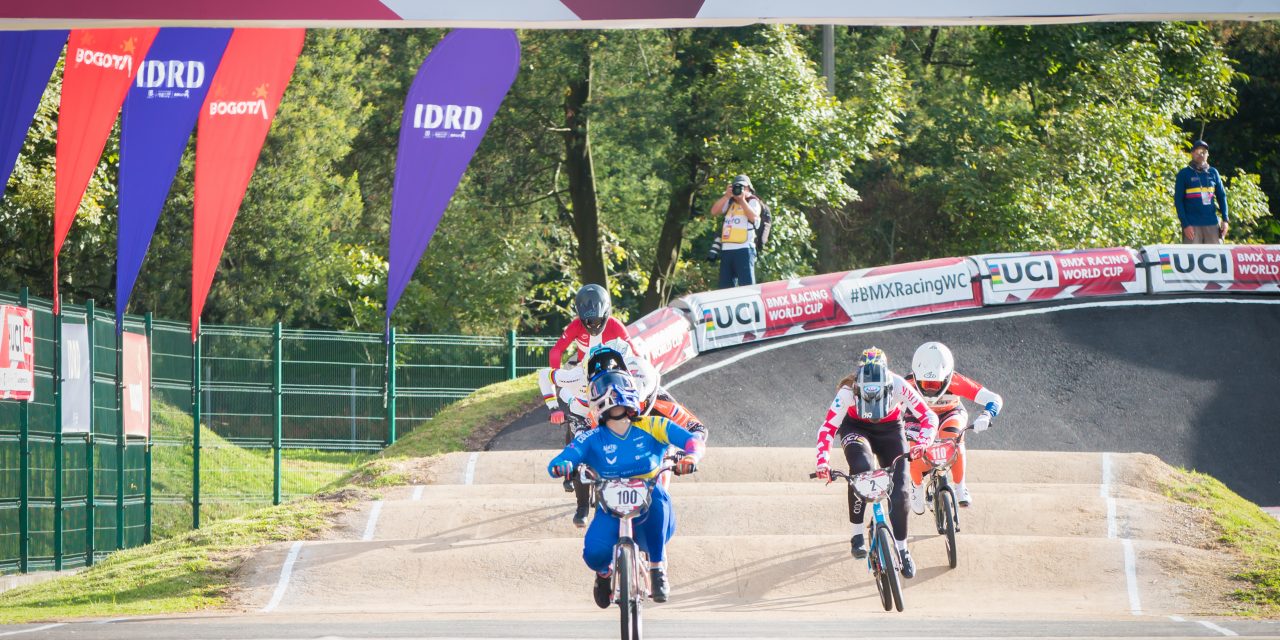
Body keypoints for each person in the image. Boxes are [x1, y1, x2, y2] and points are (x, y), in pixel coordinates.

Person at [547, 370, 704, 607]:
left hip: (649, 505)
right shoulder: (591, 437)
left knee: (659, 495)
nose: (613, 397)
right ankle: (604, 574)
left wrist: (691, 458)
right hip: (609, 507)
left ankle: (657, 568)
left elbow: (693, 440)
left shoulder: (655, 425)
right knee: (594, 555)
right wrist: (564, 466)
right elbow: (564, 458)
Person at [814, 347, 938, 579]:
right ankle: (857, 534)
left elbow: (929, 416)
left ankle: (902, 550)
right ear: (858, 388)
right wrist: (823, 462)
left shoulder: (900, 384)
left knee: (901, 491)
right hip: (856, 430)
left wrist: (923, 442)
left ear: (889, 388)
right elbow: (828, 428)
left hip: (891, 430)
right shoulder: (847, 392)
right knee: (861, 471)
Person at [542, 284, 634, 526]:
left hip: (607, 375)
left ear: (607, 315)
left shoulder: (615, 325)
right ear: (579, 317)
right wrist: (556, 373)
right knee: (576, 423)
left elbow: (633, 353)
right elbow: (557, 350)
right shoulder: (574, 326)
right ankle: (582, 505)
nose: (592, 326)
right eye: (586, 322)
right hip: (582, 372)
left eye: (598, 321)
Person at [903, 342, 1003, 511]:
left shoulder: (956, 381)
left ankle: (960, 486)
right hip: (919, 417)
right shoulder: (906, 383)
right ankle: (916, 485)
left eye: (935, 384)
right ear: (915, 375)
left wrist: (986, 416)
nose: (929, 390)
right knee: (915, 451)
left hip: (950, 413)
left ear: (948, 376)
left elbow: (995, 399)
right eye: (925, 383)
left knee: (954, 440)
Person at [709, 174, 762, 289]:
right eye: (736, 187)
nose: (739, 190)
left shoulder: (753, 201)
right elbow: (714, 211)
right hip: (727, 249)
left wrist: (742, 200)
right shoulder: (729, 201)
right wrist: (726, 196)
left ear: (748, 188)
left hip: (744, 248)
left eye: (742, 187)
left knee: (747, 287)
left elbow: (754, 218)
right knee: (725, 288)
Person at [1174, 140, 1229, 244]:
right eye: (1198, 151)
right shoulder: (1184, 174)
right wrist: (1185, 224)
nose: (1201, 154)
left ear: (1207, 155)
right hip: (1192, 225)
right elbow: (1178, 201)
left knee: (1215, 257)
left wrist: (1225, 220)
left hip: (1212, 224)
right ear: (1192, 153)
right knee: (1191, 258)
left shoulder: (1213, 172)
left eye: (1204, 152)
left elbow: (1222, 196)